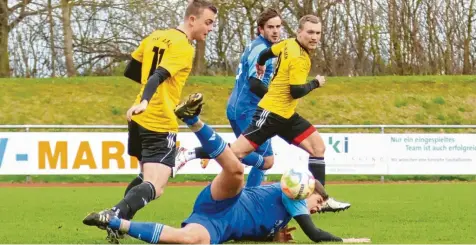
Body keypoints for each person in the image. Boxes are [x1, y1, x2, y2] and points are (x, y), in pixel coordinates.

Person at [83, 93, 371, 244]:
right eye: (319, 200)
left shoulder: (287, 215)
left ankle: (114, 221)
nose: (319, 206)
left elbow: (253, 227)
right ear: (306, 190)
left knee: (189, 240)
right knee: (236, 173)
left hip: (218, 225)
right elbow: (315, 235)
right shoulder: (294, 194)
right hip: (227, 199)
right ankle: (194, 121)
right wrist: (349, 240)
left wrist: (271, 235)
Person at [82, 0, 217, 241]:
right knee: (157, 185)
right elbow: (157, 76)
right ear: (192, 19)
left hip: (137, 120)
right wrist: (148, 99)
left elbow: (132, 70)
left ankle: (119, 223)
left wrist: (143, 99)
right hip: (159, 120)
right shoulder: (184, 47)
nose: (210, 28)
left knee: (145, 177)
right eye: (208, 22)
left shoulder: (156, 37)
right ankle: (115, 215)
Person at [176, 8, 282, 188]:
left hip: (238, 107)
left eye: (278, 26)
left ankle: (211, 153)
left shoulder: (257, 46)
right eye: (270, 27)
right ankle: (199, 152)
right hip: (249, 110)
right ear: (261, 29)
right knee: (265, 160)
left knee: (256, 158)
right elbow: (255, 84)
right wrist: (277, 99)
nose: (275, 31)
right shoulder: (261, 49)